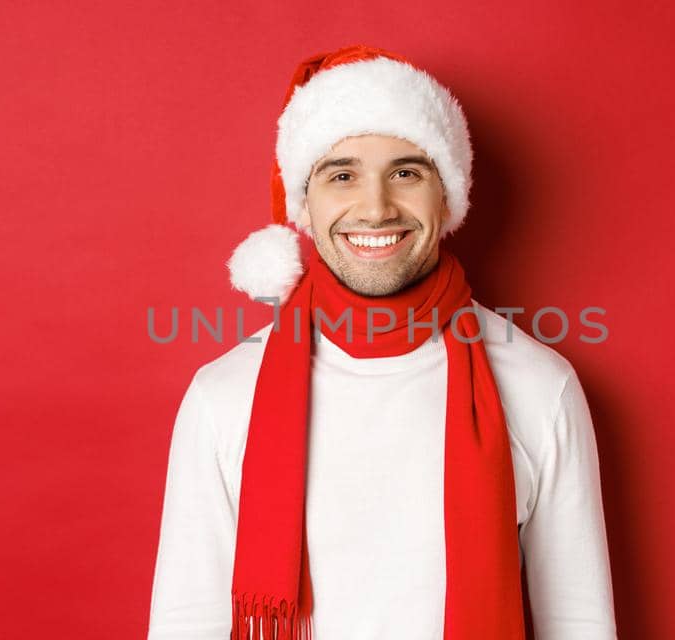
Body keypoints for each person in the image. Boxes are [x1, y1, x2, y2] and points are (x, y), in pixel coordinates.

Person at [147, 44, 617, 640]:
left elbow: (579, 623)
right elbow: (186, 623)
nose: (375, 208)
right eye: (342, 175)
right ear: (304, 204)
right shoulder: (223, 395)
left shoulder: (539, 386)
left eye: (406, 172)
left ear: (446, 196)